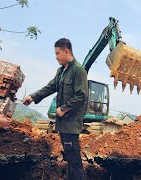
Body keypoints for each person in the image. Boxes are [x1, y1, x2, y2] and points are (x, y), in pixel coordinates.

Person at [23, 38, 88, 180]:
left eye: (58, 53)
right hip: (63, 125)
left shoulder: (78, 70)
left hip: (71, 125)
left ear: (66, 51)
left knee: (75, 163)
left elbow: (82, 95)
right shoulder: (61, 71)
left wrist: (63, 109)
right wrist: (33, 97)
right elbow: (51, 86)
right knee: (70, 161)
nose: (56, 57)